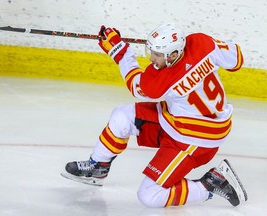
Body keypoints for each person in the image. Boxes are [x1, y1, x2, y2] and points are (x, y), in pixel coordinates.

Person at [62, 23, 248, 208]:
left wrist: (119, 50)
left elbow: (136, 84)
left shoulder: (163, 81)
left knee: (149, 195)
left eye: (157, 55)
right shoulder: (202, 42)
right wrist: (210, 55)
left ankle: (209, 184)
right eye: (152, 51)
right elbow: (237, 59)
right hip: (180, 122)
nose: (152, 58)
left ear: (174, 54)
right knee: (122, 117)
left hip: (196, 140)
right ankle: (98, 167)